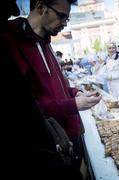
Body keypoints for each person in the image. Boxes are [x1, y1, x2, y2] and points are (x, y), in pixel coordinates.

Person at [1, 0, 102, 177]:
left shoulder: (46, 41)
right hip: (51, 146)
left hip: (70, 136)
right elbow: (29, 110)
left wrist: (76, 93)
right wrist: (74, 104)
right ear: (40, 7)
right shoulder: (12, 43)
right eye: (62, 16)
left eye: (67, 19)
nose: (64, 23)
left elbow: (57, 88)